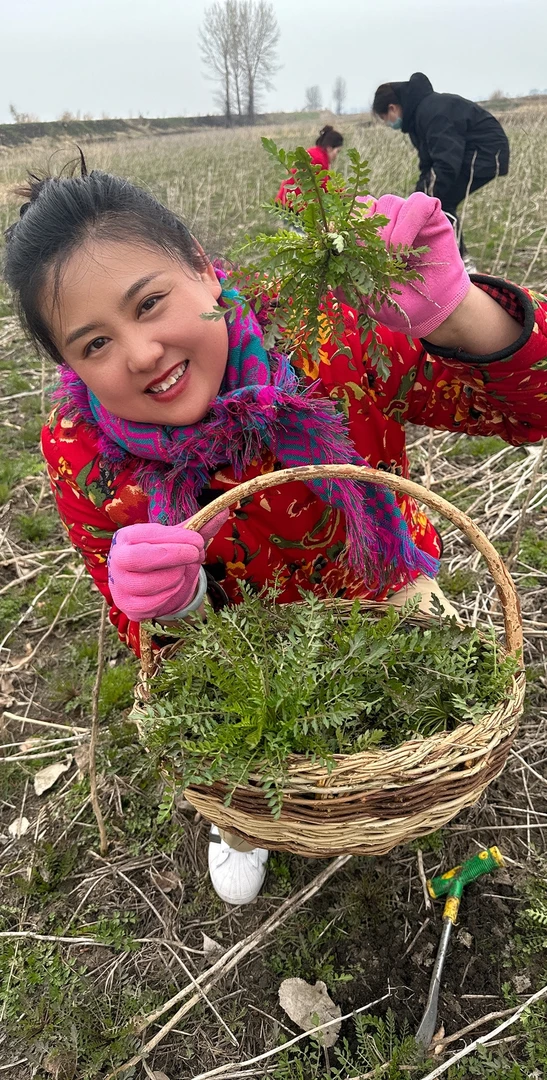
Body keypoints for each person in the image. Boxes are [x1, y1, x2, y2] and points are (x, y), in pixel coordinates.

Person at [4, 168, 547, 907]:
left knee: (400, 724)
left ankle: (379, 795)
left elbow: (525, 413)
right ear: (69, 365)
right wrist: (172, 602)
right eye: (95, 343)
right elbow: (146, 627)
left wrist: (457, 314)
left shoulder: (326, 332)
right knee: (250, 772)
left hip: (382, 593)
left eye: (151, 303)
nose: (138, 353)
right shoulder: (82, 451)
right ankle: (244, 830)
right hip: (243, 650)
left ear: (201, 265)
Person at [372, 73, 510, 269]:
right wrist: (418, 196)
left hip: (486, 153)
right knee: (432, 199)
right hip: (467, 154)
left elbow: (446, 163)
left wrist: (426, 199)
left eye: (385, 118)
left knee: (441, 202)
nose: (388, 123)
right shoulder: (417, 119)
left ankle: (461, 265)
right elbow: (427, 164)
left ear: (392, 108)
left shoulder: (432, 112)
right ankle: (450, 260)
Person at [275, 124, 344, 209]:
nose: (336, 156)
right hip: (292, 205)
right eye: (337, 151)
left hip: (288, 202)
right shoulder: (318, 159)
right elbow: (324, 188)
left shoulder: (315, 153)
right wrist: (347, 194)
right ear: (329, 148)